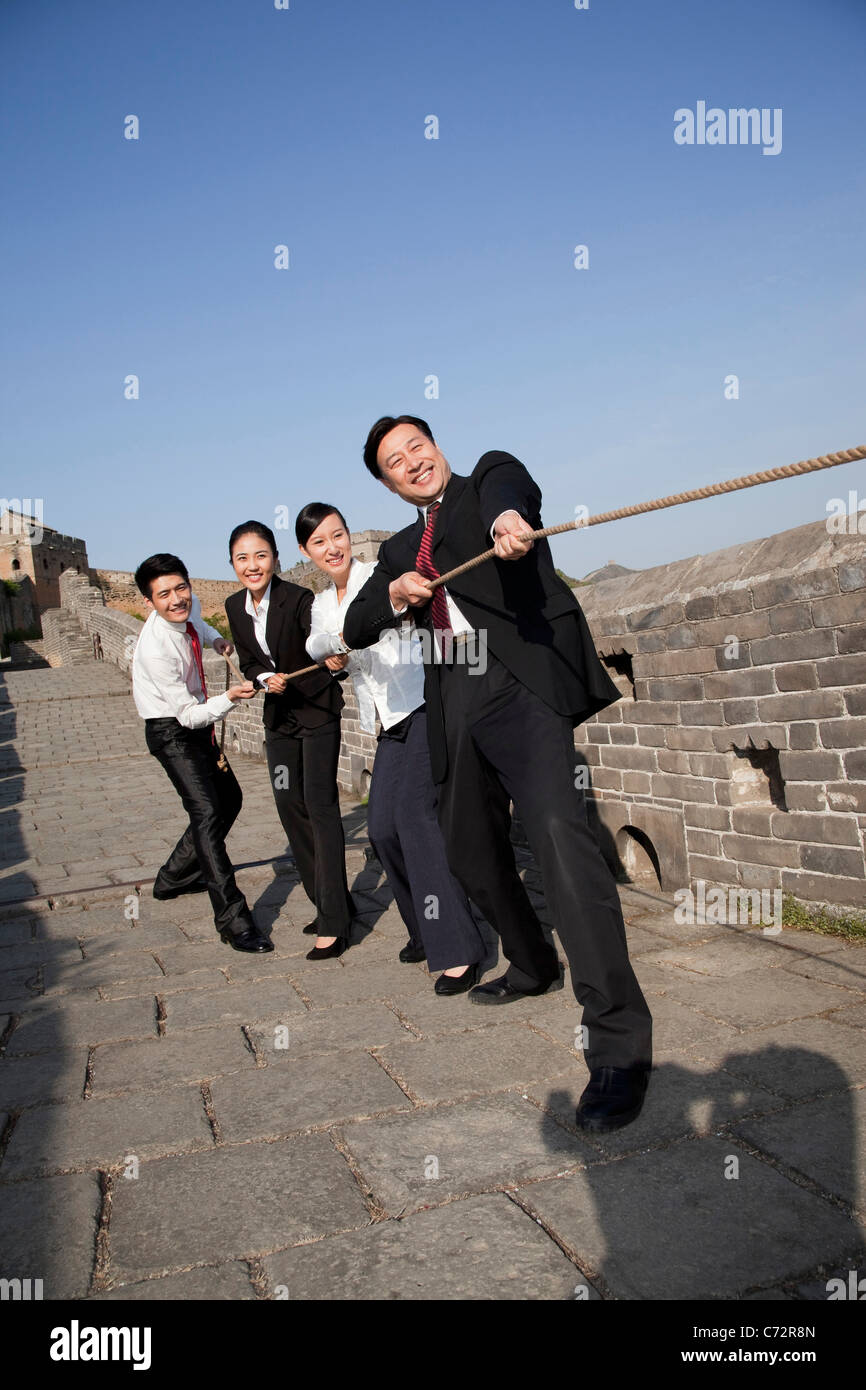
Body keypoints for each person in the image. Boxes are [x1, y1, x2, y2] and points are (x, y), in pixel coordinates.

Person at [342, 416, 653, 1132]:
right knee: (468, 849)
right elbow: (359, 622)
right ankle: (532, 962)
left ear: (436, 446)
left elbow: (513, 490)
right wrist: (394, 595)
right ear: (387, 483)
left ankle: (617, 1048)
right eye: (396, 462)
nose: (413, 462)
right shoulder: (396, 550)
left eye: (417, 446)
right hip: (452, 696)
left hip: (517, 683)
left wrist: (511, 520)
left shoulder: (485, 480)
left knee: (555, 836)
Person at [297, 502, 488, 994]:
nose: (332, 547)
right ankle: (426, 927)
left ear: (349, 535)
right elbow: (317, 645)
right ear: (306, 552)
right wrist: (337, 653)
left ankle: (459, 950)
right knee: (381, 828)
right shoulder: (322, 603)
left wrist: (348, 636)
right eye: (319, 542)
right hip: (385, 721)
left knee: (416, 821)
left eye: (338, 535)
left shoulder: (381, 574)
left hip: (422, 703)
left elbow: (400, 617)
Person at [225, 521, 355, 960]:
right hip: (279, 719)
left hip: (317, 711)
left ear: (276, 558)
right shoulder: (233, 606)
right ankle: (328, 902)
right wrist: (262, 677)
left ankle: (336, 925)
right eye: (243, 558)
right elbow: (247, 660)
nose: (253, 565)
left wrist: (332, 660)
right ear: (233, 565)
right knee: (288, 805)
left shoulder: (298, 599)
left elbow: (318, 645)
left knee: (320, 807)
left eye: (260, 555)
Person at [131, 553, 272, 954]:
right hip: (171, 731)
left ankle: (173, 877)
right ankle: (233, 920)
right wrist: (228, 697)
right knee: (207, 812)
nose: (177, 600)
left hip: (195, 724)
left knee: (231, 799)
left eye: (181, 588)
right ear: (149, 602)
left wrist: (216, 639)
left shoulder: (187, 610)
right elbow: (190, 716)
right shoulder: (155, 649)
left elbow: (200, 624)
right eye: (164, 595)